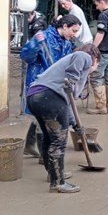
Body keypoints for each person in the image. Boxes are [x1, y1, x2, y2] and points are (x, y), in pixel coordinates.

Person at [26, 44, 101, 193]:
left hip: (35, 97)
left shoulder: (66, 69)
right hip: (49, 97)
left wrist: (74, 125)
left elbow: (67, 104)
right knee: (59, 141)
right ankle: (58, 183)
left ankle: (54, 174)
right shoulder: (84, 56)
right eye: (97, 63)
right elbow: (80, 58)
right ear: (95, 58)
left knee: (49, 138)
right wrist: (72, 78)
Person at [19, 14, 82, 157]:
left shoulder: (66, 42)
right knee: (45, 119)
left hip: (55, 85)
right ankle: (45, 157)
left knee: (39, 118)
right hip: (39, 83)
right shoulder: (44, 38)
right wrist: (34, 44)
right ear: (65, 26)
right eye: (74, 31)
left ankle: (29, 146)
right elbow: (25, 56)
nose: (74, 35)